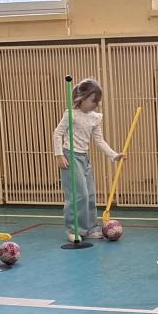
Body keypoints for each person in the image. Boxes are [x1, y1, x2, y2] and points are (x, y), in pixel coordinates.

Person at [53, 78, 124, 241]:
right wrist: (59, 155)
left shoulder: (95, 118)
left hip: (84, 157)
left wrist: (114, 155)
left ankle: (90, 228)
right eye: (93, 100)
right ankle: (73, 229)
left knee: (90, 194)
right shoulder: (71, 114)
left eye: (98, 101)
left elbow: (99, 140)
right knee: (78, 195)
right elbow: (57, 133)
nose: (96, 104)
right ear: (82, 98)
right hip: (70, 156)